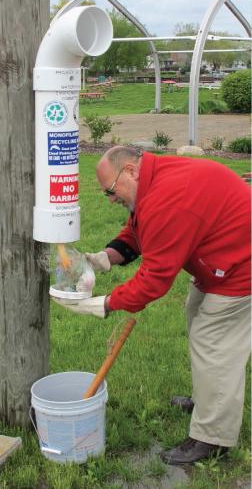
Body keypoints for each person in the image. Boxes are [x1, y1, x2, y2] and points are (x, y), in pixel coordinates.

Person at [53, 146, 251, 465]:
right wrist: (104, 258)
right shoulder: (154, 180)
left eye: (110, 191)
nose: (110, 199)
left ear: (129, 171)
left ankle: (212, 438)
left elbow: (154, 280)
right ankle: (207, 400)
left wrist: (103, 304)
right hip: (217, 261)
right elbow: (138, 228)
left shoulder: (169, 198)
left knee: (214, 344)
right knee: (197, 323)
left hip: (240, 268)